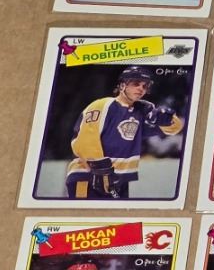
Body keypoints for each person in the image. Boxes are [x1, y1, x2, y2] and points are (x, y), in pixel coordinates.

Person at [64, 65, 185, 199]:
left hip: (119, 180)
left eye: (145, 86)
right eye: (136, 84)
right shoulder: (103, 105)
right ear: (122, 86)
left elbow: (174, 129)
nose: (141, 88)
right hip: (87, 176)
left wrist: (166, 118)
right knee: (85, 213)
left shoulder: (141, 112)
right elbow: (85, 140)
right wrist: (101, 169)